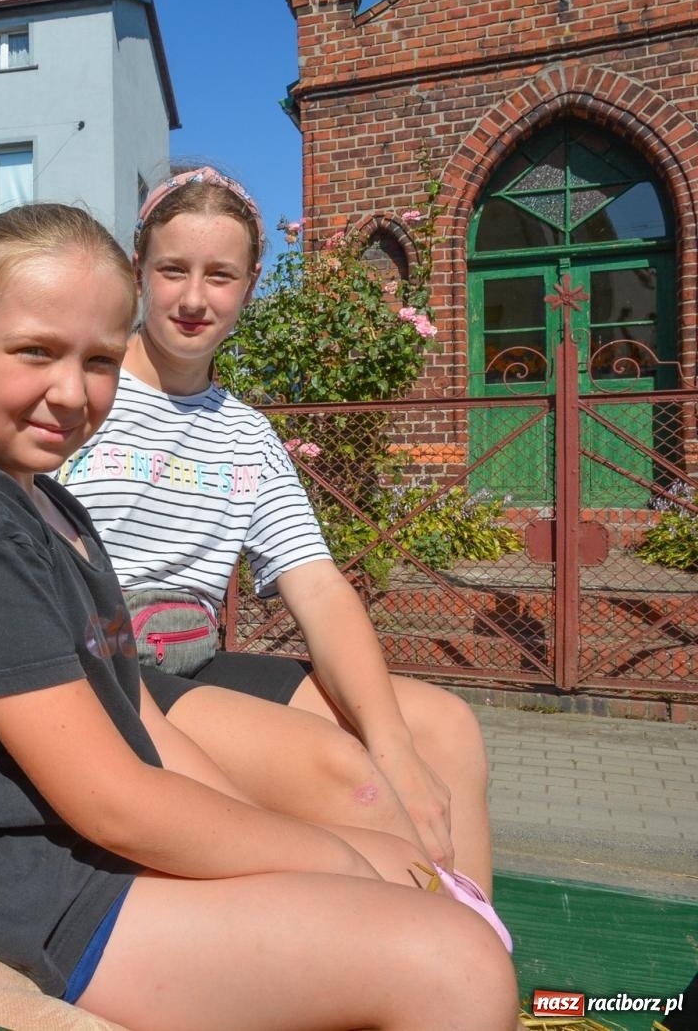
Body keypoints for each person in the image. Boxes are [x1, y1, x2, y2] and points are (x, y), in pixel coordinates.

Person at [0, 202, 516, 1029]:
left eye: (97, 361)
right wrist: (332, 856)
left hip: (71, 852)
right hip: (11, 888)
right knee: (453, 970)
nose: (69, 391)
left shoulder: (52, 509)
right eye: (34, 352)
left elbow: (138, 713)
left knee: (424, 904)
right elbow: (113, 802)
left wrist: (281, 844)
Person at [60, 166, 500, 896]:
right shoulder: (85, 393)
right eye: (173, 270)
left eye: (220, 275)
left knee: (442, 729)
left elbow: (319, 588)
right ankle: (416, 960)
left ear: (252, 283)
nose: (194, 298)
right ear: (138, 268)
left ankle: (480, 953)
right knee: (345, 778)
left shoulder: (247, 435)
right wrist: (378, 766)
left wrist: (395, 747)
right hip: (103, 667)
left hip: (194, 656)